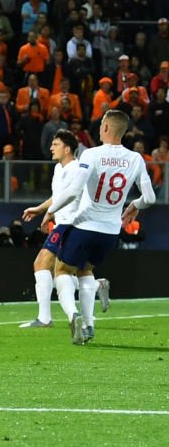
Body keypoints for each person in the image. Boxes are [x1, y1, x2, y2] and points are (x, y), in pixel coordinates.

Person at [41, 111, 156, 344]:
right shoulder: (136, 159)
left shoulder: (91, 154)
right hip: (110, 231)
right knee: (86, 271)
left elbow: (73, 191)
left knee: (62, 271)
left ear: (104, 128)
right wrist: (134, 204)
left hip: (85, 224)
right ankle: (89, 324)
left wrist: (47, 211)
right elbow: (150, 198)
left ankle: (73, 315)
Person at [19, 130, 105, 328]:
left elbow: (71, 196)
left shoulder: (76, 168)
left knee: (43, 265)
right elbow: (57, 196)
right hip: (63, 222)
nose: (51, 148)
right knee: (65, 272)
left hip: (71, 223)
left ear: (67, 149)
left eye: (55, 144)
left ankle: (45, 318)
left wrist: (48, 213)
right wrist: (40, 209)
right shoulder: (60, 168)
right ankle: (95, 286)